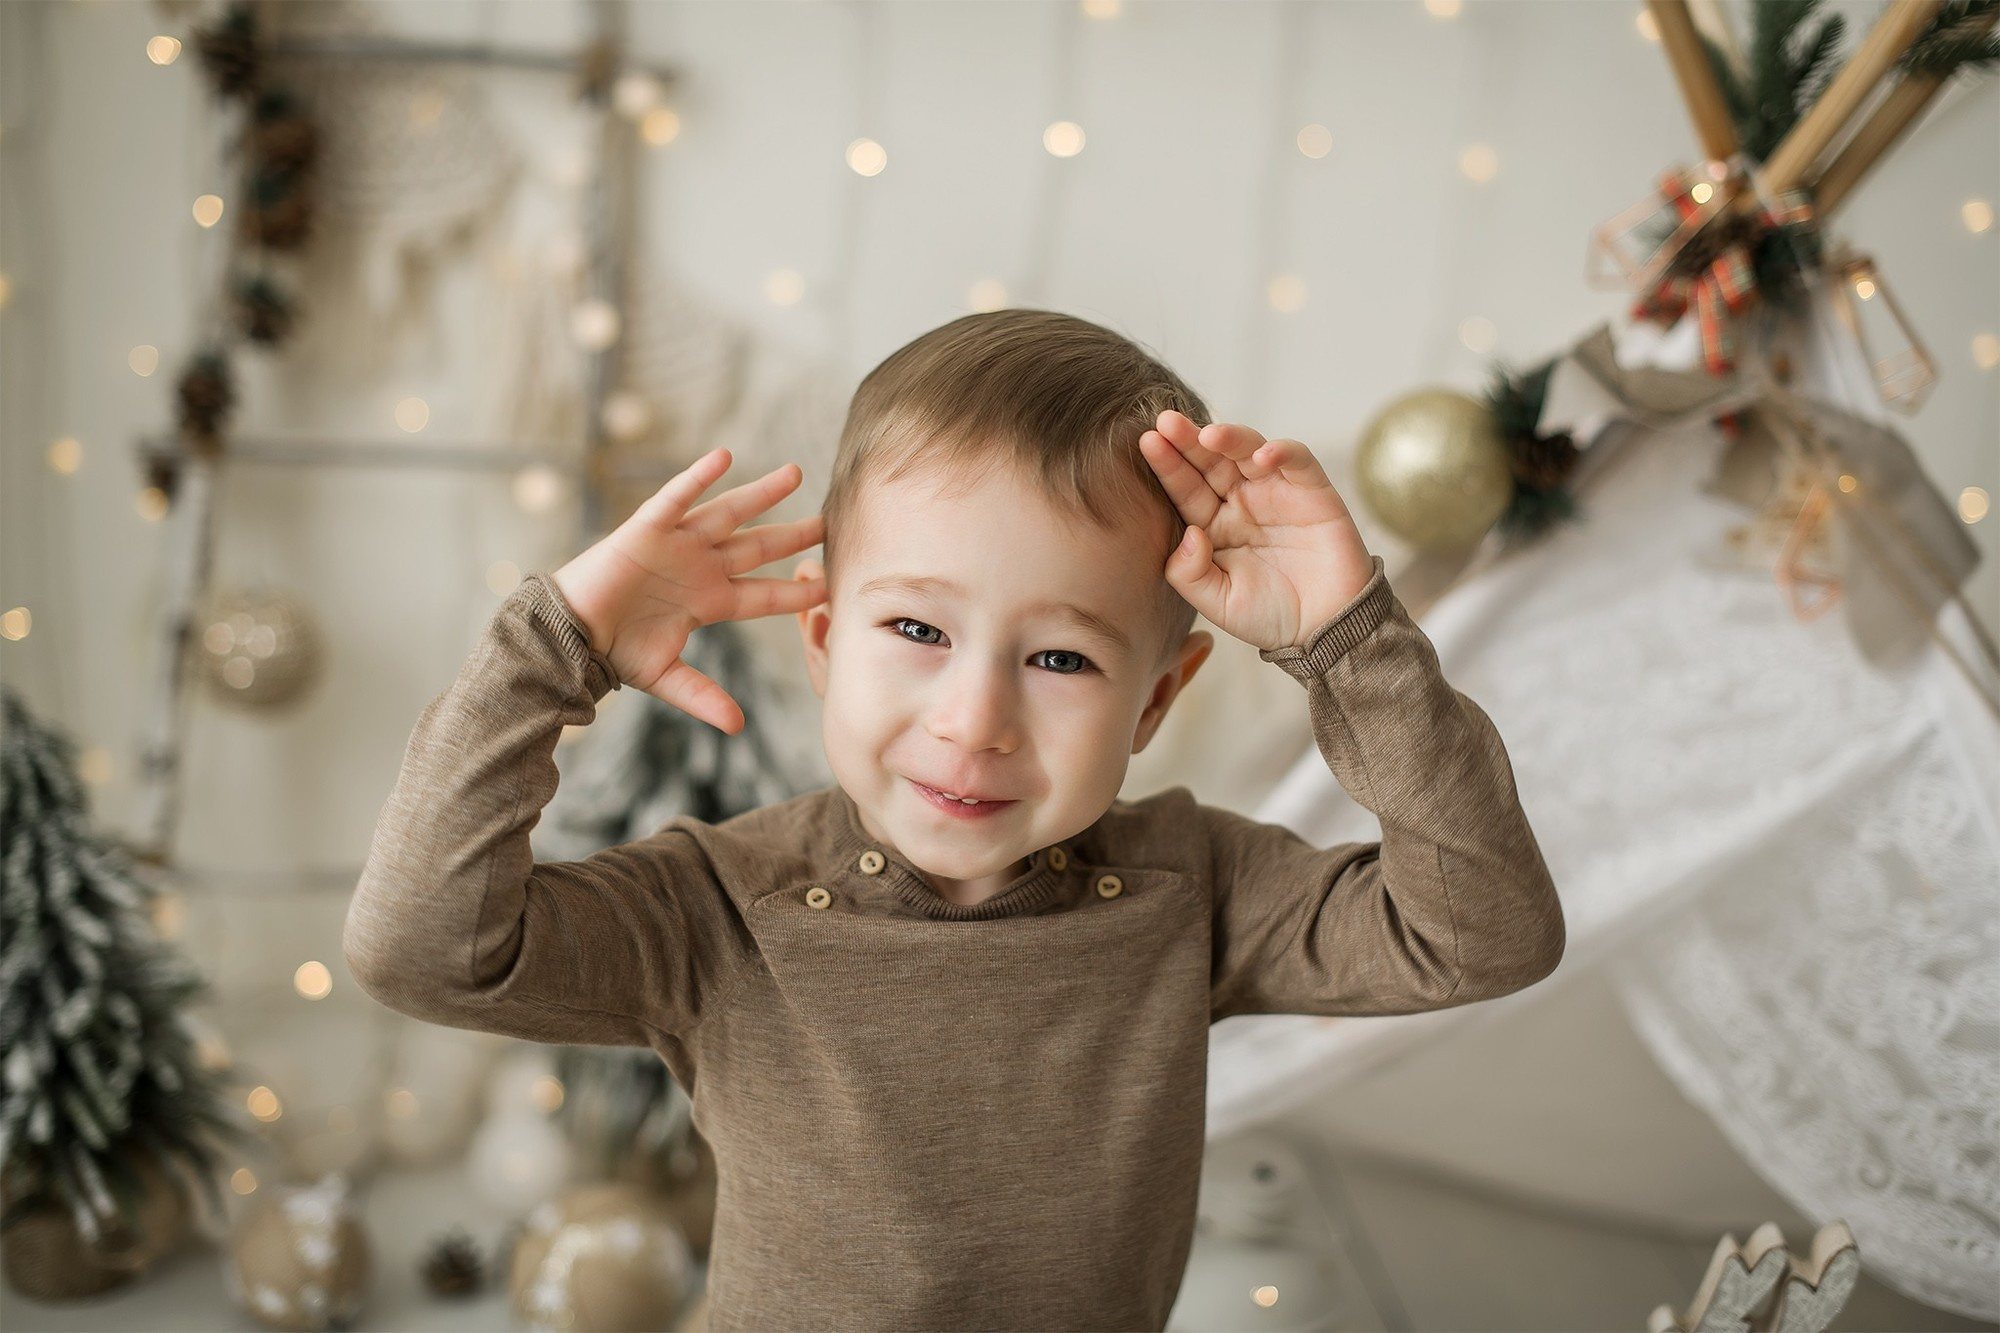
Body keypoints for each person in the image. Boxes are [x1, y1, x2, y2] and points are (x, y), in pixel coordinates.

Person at [344, 308, 1565, 1332]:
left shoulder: (1191, 886)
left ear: (1155, 701)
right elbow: (421, 946)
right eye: (917, 631)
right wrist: (547, 650)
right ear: (824, 644)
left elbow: (1482, 931)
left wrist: (1348, 644)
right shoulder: (719, 909)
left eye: (1058, 658)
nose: (973, 719)